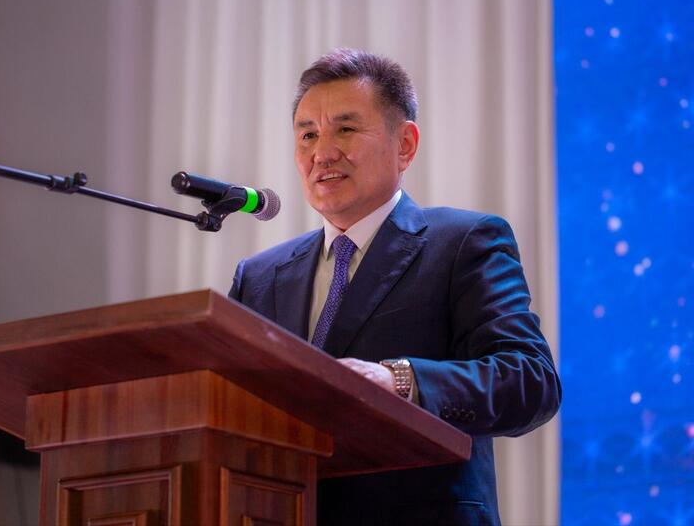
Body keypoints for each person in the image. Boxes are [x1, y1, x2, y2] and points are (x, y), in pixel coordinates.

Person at [229, 48, 561, 525]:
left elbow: (529, 380)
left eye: (345, 129)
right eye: (307, 135)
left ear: (404, 144)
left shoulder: (464, 243)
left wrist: (400, 381)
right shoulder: (259, 278)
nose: (322, 153)